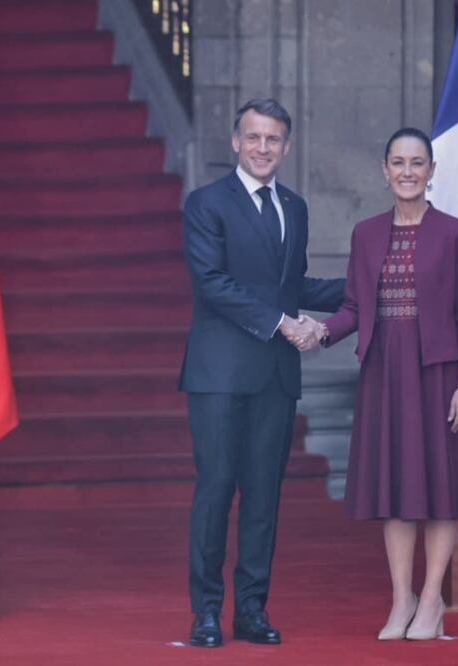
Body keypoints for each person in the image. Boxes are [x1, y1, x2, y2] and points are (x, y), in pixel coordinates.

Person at [178, 98, 345, 648]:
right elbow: (213, 284)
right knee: (216, 490)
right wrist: (282, 324)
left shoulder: (294, 207)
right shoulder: (206, 203)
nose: (262, 147)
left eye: (273, 139)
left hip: (274, 376)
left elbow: (290, 286)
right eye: (253, 137)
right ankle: (206, 612)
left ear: (287, 147)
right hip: (220, 375)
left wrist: (368, 285)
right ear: (235, 141)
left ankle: (251, 610)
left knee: (264, 498)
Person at [316, 127, 458, 641]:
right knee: (395, 487)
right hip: (385, 375)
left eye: (417, 163)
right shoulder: (366, 233)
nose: (407, 172)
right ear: (384, 171)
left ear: (431, 172)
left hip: (438, 374)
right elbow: (354, 306)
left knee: (439, 488)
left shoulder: (455, 233)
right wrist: (321, 332)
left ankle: (431, 599)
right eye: (398, 162)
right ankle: (401, 599)